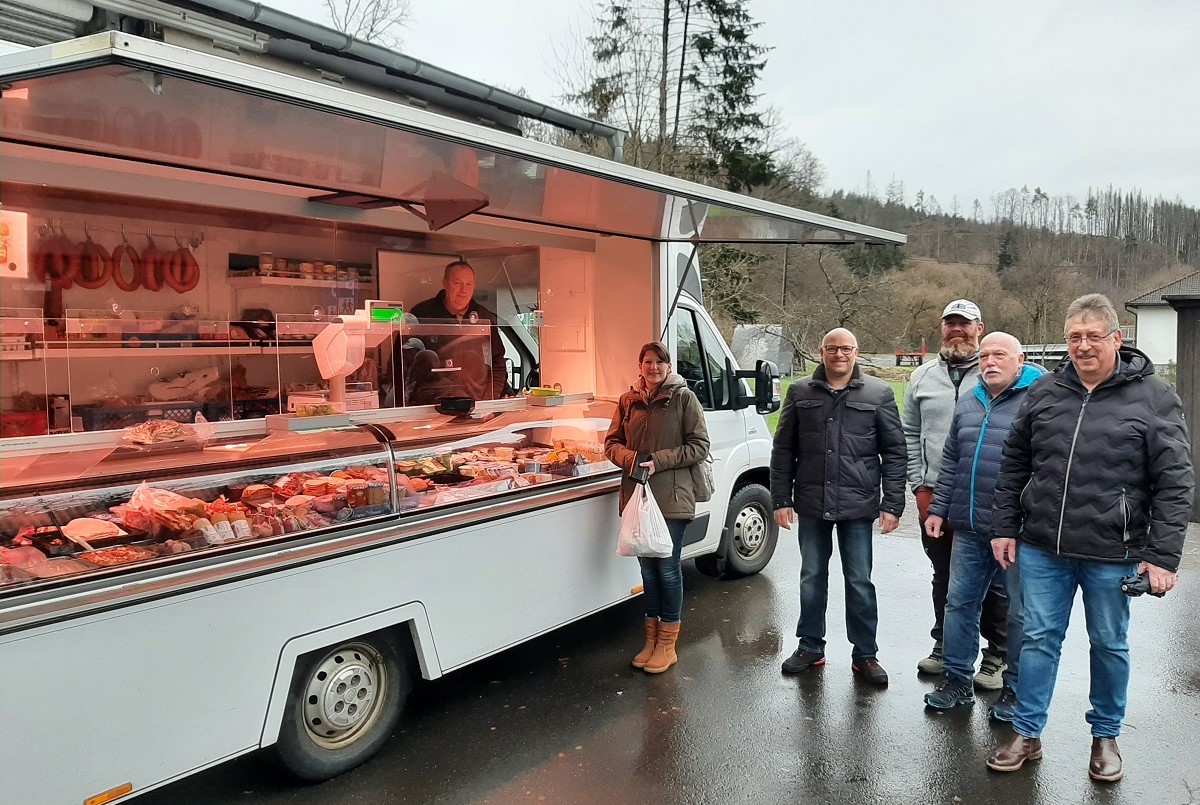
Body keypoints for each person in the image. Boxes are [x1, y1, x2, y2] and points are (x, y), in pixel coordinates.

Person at [986, 294, 1193, 783]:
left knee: (1109, 644)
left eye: (1092, 336)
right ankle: (1027, 731)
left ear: (1117, 339)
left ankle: (1105, 736)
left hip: (1112, 552)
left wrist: (1162, 557)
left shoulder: (1154, 397)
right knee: (1036, 640)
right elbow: (1014, 463)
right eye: (1074, 337)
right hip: (1042, 546)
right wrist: (1003, 526)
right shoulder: (1045, 392)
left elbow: (1176, 481)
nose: (1082, 346)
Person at [770, 328, 906, 686]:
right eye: (832, 349)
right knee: (812, 577)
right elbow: (783, 449)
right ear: (821, 352)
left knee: (859, 580)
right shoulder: (800, 392)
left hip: (858, 505)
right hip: (812, 503)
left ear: (857, 352)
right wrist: (781, 498)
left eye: (846, 349)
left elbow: (894, 452)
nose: (839, 355)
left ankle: (865, 654)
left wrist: (891, 503)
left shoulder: (878, 393)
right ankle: (810, 646)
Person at [922, 332, 1042, 721]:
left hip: (1018, 531)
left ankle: (1015, 690)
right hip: (970, 526)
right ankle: (957, 680)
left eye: (1000, 355)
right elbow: (952, 459)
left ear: (1019, 360)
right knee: (959, 604)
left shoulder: (1038, 400)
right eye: (985, 355)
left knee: (1020, 612)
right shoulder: (970, 400)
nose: (990, 362)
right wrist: (939, 508)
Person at [902, 299, 1009, 689]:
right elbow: (910, 435)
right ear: (941, 328)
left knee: (996, 581)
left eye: (965, 324)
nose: (957, 330)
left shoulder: (997, 373)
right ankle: (946, 645)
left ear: (979, 328)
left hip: (987, 497)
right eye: (951, 324)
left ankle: (998, 654)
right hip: (935, 496)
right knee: (945, 576)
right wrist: (918, 486)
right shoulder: (921, 377)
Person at [604, 341, 710, 674]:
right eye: (647, 362)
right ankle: (650, 640)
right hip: (637, 496)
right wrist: (631, 459)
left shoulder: (683, 398)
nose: (653, 367)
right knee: (647, 572)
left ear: (668, 366)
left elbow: (699, 446)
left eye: (659, 362)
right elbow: (611, 444)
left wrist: (658, 462)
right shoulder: (627, 401)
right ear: (639, 366)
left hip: (672, 497)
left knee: (667, 568)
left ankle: (668, 644)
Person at [408, 260, 508, 401]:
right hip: (433, 406)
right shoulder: (422, 314)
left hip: (475, 405)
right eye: (457, 283)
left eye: (469, 284)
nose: (464, 290)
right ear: (445, 283)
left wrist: (489, 401)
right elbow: (403, 367)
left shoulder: (483, 316)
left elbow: (498, 363)